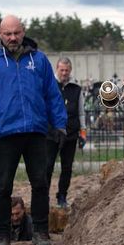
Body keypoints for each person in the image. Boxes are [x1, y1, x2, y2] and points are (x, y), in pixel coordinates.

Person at [0, 15, 67, 245]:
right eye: (7, 34)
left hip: (35, 131)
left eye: (16, 33)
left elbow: (52, 95)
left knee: (41, 183)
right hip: (5, 132)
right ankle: (2, 235)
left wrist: (60, 124)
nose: (12, 38)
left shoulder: (39, 60)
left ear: (24, 32)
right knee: (3, 186)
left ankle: (41, 232)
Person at [45, 57, 86, 208]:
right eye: (61, 70)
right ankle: (44, 195)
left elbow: (81, 112)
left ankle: (62, 196)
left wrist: (83, 132)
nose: (64, 73)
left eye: (66, 70)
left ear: (70, 70)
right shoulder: (49, 85)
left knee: (67, 167)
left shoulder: (76, 88)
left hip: (70, 133)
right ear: (57, 69)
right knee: (47, 166)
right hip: (51, 133)